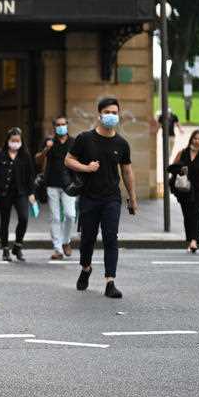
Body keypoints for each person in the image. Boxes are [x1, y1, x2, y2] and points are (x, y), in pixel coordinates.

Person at [65, 97, 137, 299]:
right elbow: (68, 160)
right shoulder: (85, 139)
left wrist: (132, 197)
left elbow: (127, 171)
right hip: (89, 197)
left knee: (110, 239)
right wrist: (86, 168)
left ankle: (110, 282)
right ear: (99, 114)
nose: (111, 116)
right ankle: (86, 268)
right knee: (87, 239)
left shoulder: (122, 143)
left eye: (115, 112)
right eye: (107, 112)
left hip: (111, 198)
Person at [0, 128, 36, 262]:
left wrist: (31, 193)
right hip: (4, 193)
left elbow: (30, 176)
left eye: (17, 140)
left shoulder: (25, 155)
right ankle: (5, 249)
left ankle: (18, 246)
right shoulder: (1, 154)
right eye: (13, 140)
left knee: (24, 218)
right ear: (8, 141)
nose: (15, 143)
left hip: (21, 193)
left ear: (21, 141)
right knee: (4, 221)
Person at [35, 116, 77, 260]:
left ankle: (66, 241)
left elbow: (80, 159)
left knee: (70, 215)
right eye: (58, 125)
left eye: (63, 124)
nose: (61, 127)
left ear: (67, 125)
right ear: (54, 127)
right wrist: (47, 149)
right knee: (55, 217)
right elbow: (38, 159)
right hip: (52, 183)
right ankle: (57, 249)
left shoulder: (73, 142)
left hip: (69, 183)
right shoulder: (50, 141)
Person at [171, 130, 199, 253]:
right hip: (185, 190)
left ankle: (194, 241)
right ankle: (190, 240)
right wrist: (180, 170)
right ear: (191, 139)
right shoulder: (183, 152)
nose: (197, 141)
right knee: (187, 216)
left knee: (196, 213)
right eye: (195, 138)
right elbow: (173, 167)